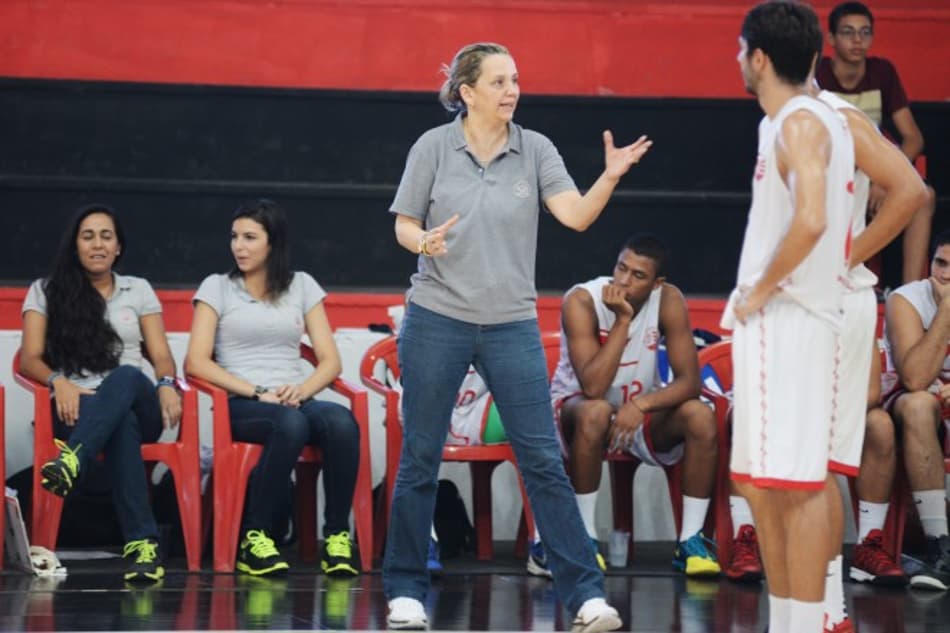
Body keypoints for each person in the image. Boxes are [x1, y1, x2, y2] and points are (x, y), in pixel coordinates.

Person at [383, 41, 651, 633]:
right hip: (436, 318)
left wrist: (608, 176)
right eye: (500, 81)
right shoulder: (432, 147)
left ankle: (585, 595)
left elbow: (576, 216)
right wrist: (424, 241)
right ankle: (404, 591)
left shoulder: (536, 149)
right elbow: (404, 223)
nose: (512, 91)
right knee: (420, 457)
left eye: (516, 80)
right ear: (467, 91)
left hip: (511, 325)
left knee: (542, 461)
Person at [723, 3, 854, 632]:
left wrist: (758, 291)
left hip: (791, 320)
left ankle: (809, 623)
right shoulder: (793, 119)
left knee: (796, 488)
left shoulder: (802, 122)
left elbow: (811, 220)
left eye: (739, 49)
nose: (736, 60)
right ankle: (793, 621)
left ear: (759, 57)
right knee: (761, 485)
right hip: (792, 322)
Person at [185, 199, 361, 577]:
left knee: (342, 422)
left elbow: (330, 361)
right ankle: (256, 537)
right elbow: (196, 361)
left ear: (273, 242)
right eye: (235, 237)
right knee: (290, 425)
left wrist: (300, 390)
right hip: (243, 403)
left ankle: (336, 538)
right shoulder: (217, 287)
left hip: (293, 397)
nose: (239, 246)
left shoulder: (302, 285)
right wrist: (255, 392)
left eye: (250, 238)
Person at [812, 77, 929, 630]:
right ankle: (804, 607)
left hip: (836, 302)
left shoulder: (838, 119)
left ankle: (832, 605)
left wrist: (843, 258)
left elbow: (912, 191)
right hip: (802, 302)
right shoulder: (780, 125)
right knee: (793, 469)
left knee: (821, 463)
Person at [19, 203, 182, 583]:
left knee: (124, 377)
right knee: (118, 422)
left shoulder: (137, 289)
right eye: (88, 236)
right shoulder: (45, 291)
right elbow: (29, 359)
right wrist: (58, 381)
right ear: (74, 245)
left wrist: (167, 384)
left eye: (106, 236)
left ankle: (74, 458)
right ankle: (143, 547)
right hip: (76, 406)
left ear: (118, 247)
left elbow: (160, 356)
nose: (97, 244)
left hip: (139, 402)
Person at [549, 234, 720, 577]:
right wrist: (623, 322)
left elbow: (690, 382)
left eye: (638, 276)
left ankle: (690, 541)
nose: (623, 281)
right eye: (621, 268)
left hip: (636, 413)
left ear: (657, 284)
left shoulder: (669, 300)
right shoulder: (582, 300)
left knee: (700, 415)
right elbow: (593, 387)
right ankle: (585, 536)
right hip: (577, 412)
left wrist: (640, 405)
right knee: (596, 412)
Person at [815, 1, 936, 286]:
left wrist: (884, 180)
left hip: (876, 169)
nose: (857, 40)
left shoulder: (882, 72)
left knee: (924, 196)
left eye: (865, 32)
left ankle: (908, 295)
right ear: (831, 39)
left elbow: (913, 138)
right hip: (833, 171)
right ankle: (831, 277)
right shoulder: (818, 76)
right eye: (848, 32)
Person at [879, 229, 950, 591]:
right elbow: (915, 378)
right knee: (920, 403)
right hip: (913, 410)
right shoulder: (907, 300)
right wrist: (948, 310)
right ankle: (940, 544)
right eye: (941, 263)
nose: (946, 275)